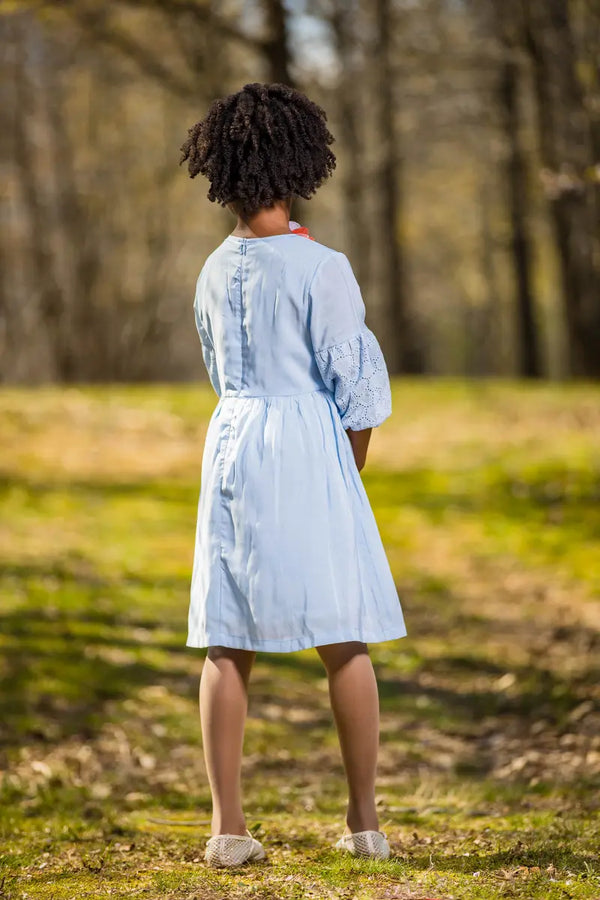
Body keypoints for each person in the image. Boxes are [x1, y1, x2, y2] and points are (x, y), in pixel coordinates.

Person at [179, 82, 408, 868]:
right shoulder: (322, 265)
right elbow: (356, 387)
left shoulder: (213, 269)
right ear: (301, 163)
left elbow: (219, 370)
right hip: (309, 441)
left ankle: (227, 828)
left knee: (225, 638)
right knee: (342, 633)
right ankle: (363, 820)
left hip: (235, 438)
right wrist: (352, 464)